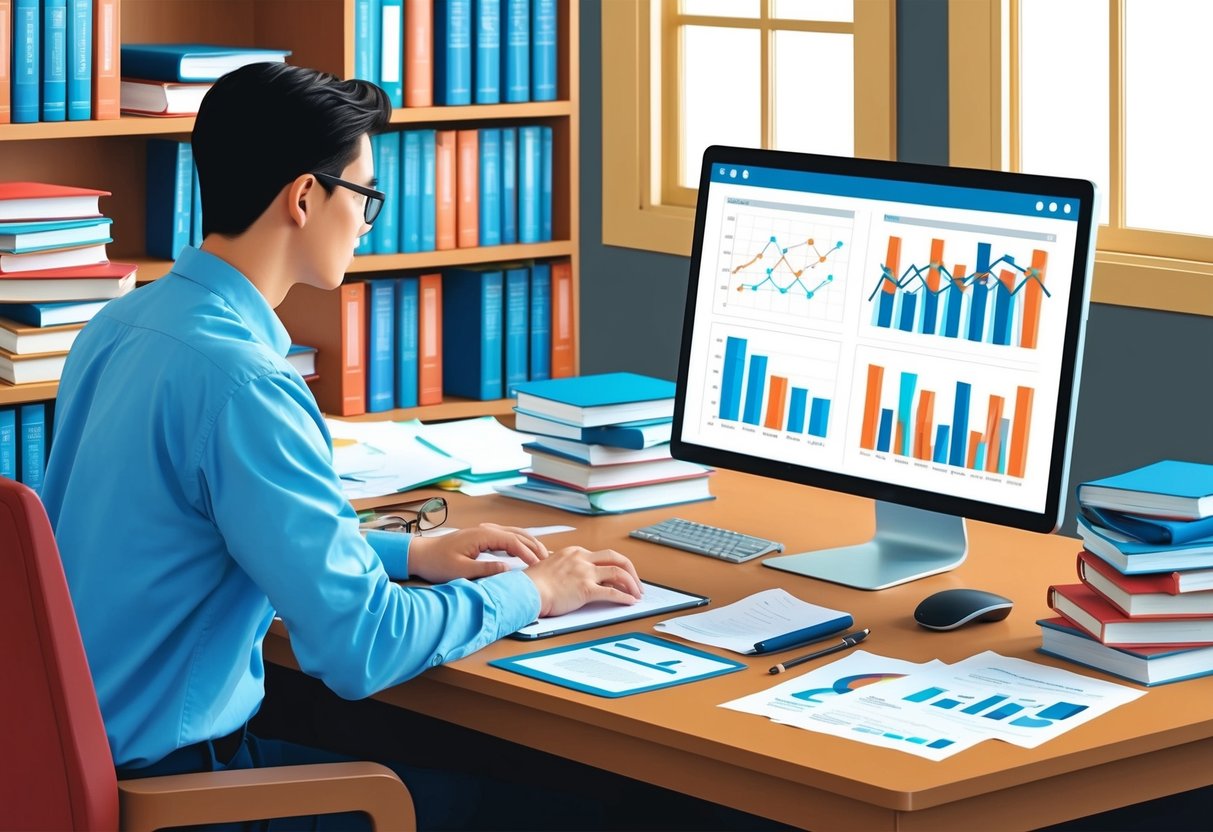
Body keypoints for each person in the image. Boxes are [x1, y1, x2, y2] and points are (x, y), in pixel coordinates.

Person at [40, 62, 643, 830]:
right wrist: (537, 591)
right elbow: (362, 647)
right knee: (596, 808)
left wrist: (408, 554)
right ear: (303, 197)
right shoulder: (248, 383)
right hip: (176, 795)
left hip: (79, 764)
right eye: (365, 197)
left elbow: (186, 529)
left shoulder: (123, 324)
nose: (366, 224)